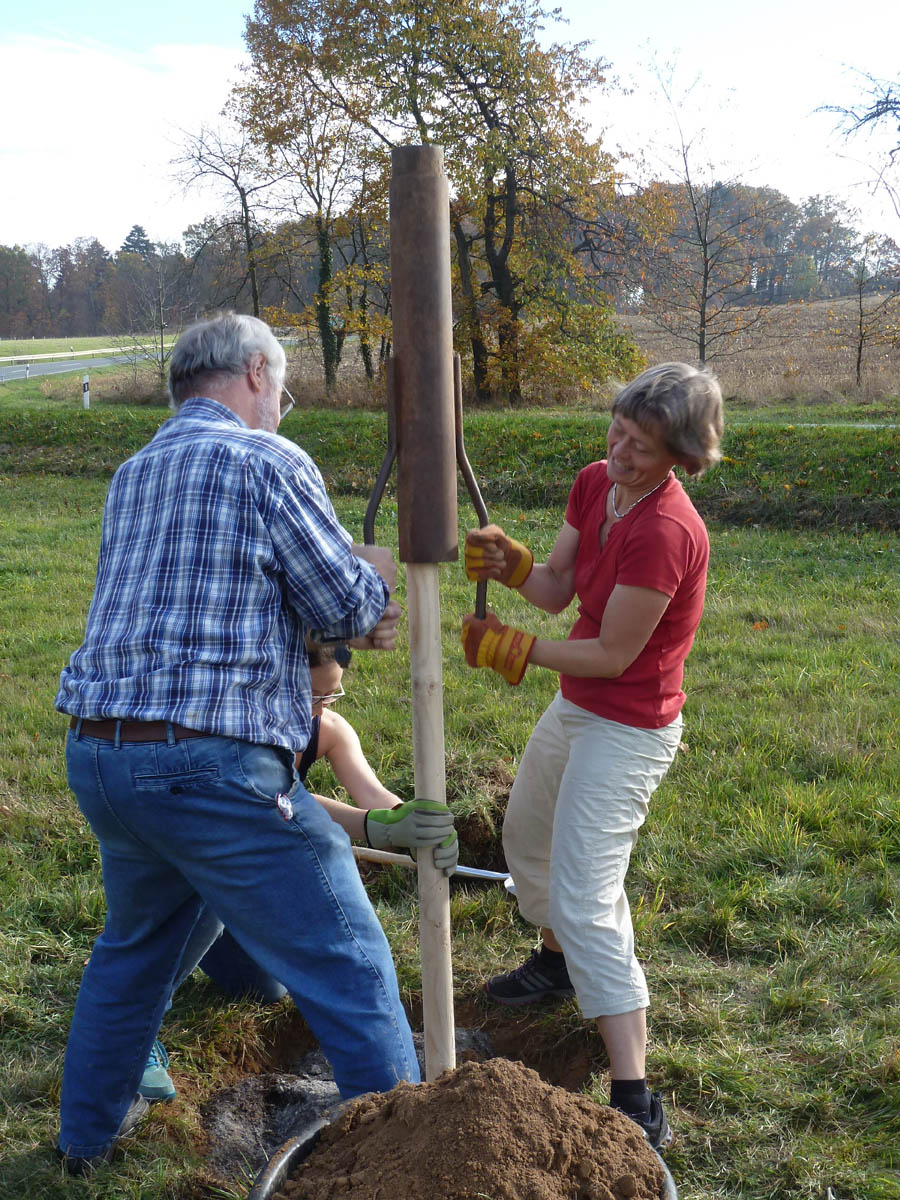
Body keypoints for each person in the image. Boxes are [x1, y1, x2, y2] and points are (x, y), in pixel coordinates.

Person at [54, 312, 456, 1173]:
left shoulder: (136, 470)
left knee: (135, 954)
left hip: (101, 754)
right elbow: (342, 607)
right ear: (254, 373)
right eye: (284, 388)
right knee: (345, 956)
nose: (285, 406)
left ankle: (82, 1145)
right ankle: (411, 1167)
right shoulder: (268, 460)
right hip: (209, 763)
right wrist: (372, 584)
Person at [461, 362, 723, 1151]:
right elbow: (555, 587)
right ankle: (557, 965)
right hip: (579, 708)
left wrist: (515, 651)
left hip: (630, 726)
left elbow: (611, 653)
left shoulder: (669, 531)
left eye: (641, 445)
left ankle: (634, 1090)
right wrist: (511, 564)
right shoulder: (593, 484)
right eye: (618, 430)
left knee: (587, 892)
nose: (621, 451)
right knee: (527, 841)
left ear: (680, 454)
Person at [139, 638, 458, 1102]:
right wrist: (367, 826)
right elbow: (284, 799)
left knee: (265, 989)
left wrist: (417, 824)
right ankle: (141, 1030)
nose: (316, 707)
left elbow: (375, 798)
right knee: (201, 907)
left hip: (257, 885)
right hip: (206, 869)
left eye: (329, 696)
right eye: (308, 694)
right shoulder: (242, 727)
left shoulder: (328, 730)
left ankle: (215, 949)